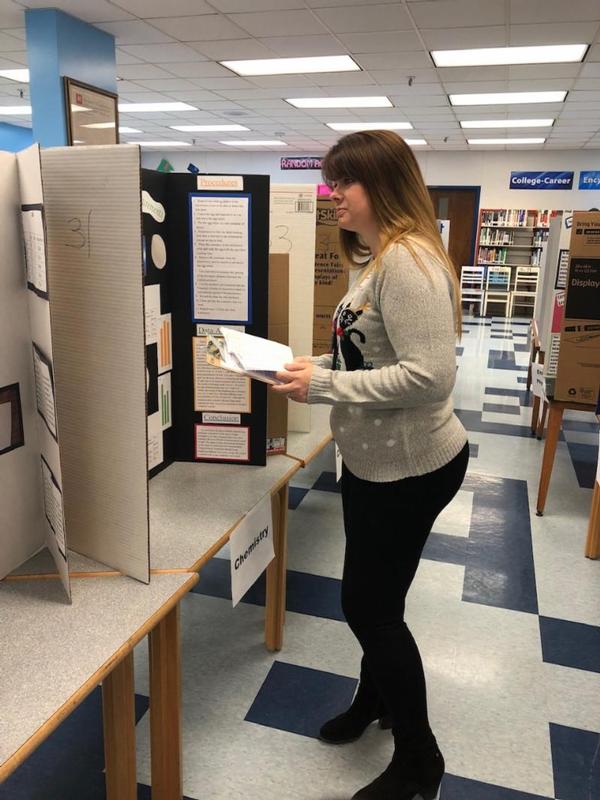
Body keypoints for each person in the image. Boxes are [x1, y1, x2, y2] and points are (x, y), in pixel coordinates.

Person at [272, 130, 469, 800]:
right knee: (381, 600)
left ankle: (420, 759)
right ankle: (374, 701)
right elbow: (370, 357)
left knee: (368, 606)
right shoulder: (377, 260)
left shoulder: (408, 262)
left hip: (409, 466)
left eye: (343, 184)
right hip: (374, 461)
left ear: (380, 185)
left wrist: (325, 387)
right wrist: (315, 367)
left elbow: (429, 377)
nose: (333, 197)